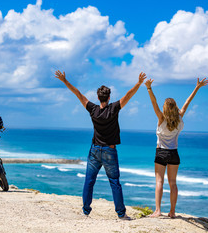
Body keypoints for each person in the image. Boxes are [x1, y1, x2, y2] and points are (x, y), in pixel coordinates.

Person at [55, 70, 147, 220]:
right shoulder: (114, 108)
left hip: (95, 151)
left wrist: (65, 81)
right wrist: (138, 83)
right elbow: (129, 95)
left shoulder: (93, 109)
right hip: (110, 151)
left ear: (98, 98)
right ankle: (121, 214)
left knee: (89, 181)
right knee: (115, 183)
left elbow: (78, 94)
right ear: (109, 97)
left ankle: (85, 211)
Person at [144, 77, 208, 218]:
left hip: (161, 152)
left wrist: (149, 88)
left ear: (165, 108)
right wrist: (197, 87)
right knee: (173, 183)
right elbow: (187, 102)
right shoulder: (179, 118)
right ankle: (172, 212)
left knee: (159, 181)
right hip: (174, 153)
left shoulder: (161, 118)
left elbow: (153, 102)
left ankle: (158, 211)